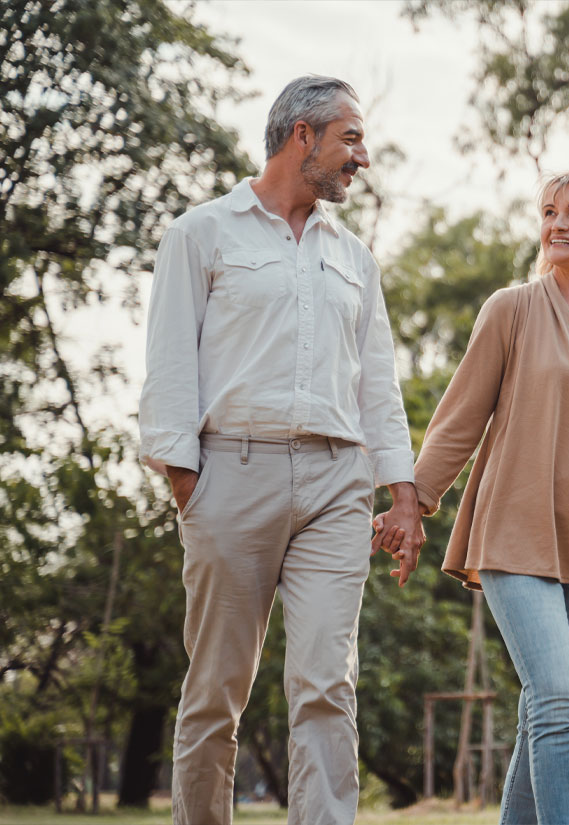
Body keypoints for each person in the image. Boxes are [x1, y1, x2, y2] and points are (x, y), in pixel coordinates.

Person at [139, 75, 424, 825]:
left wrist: (402, 493)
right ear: (302, 135)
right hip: (230, 474)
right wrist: (185, 482)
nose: (360, 157)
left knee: (328, 682)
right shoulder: (201, 232)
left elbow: (378, 385)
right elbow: (170, 367)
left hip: (337, 483)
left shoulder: (355, 258)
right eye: (350, 139)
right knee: (216, 689)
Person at [373, 170, 569, 824]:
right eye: (548, 212)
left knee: (546, 709)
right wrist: (411, 502)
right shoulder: (510, 309)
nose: (557, 223)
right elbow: (458, 418)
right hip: (517, 531)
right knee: (561, 703)